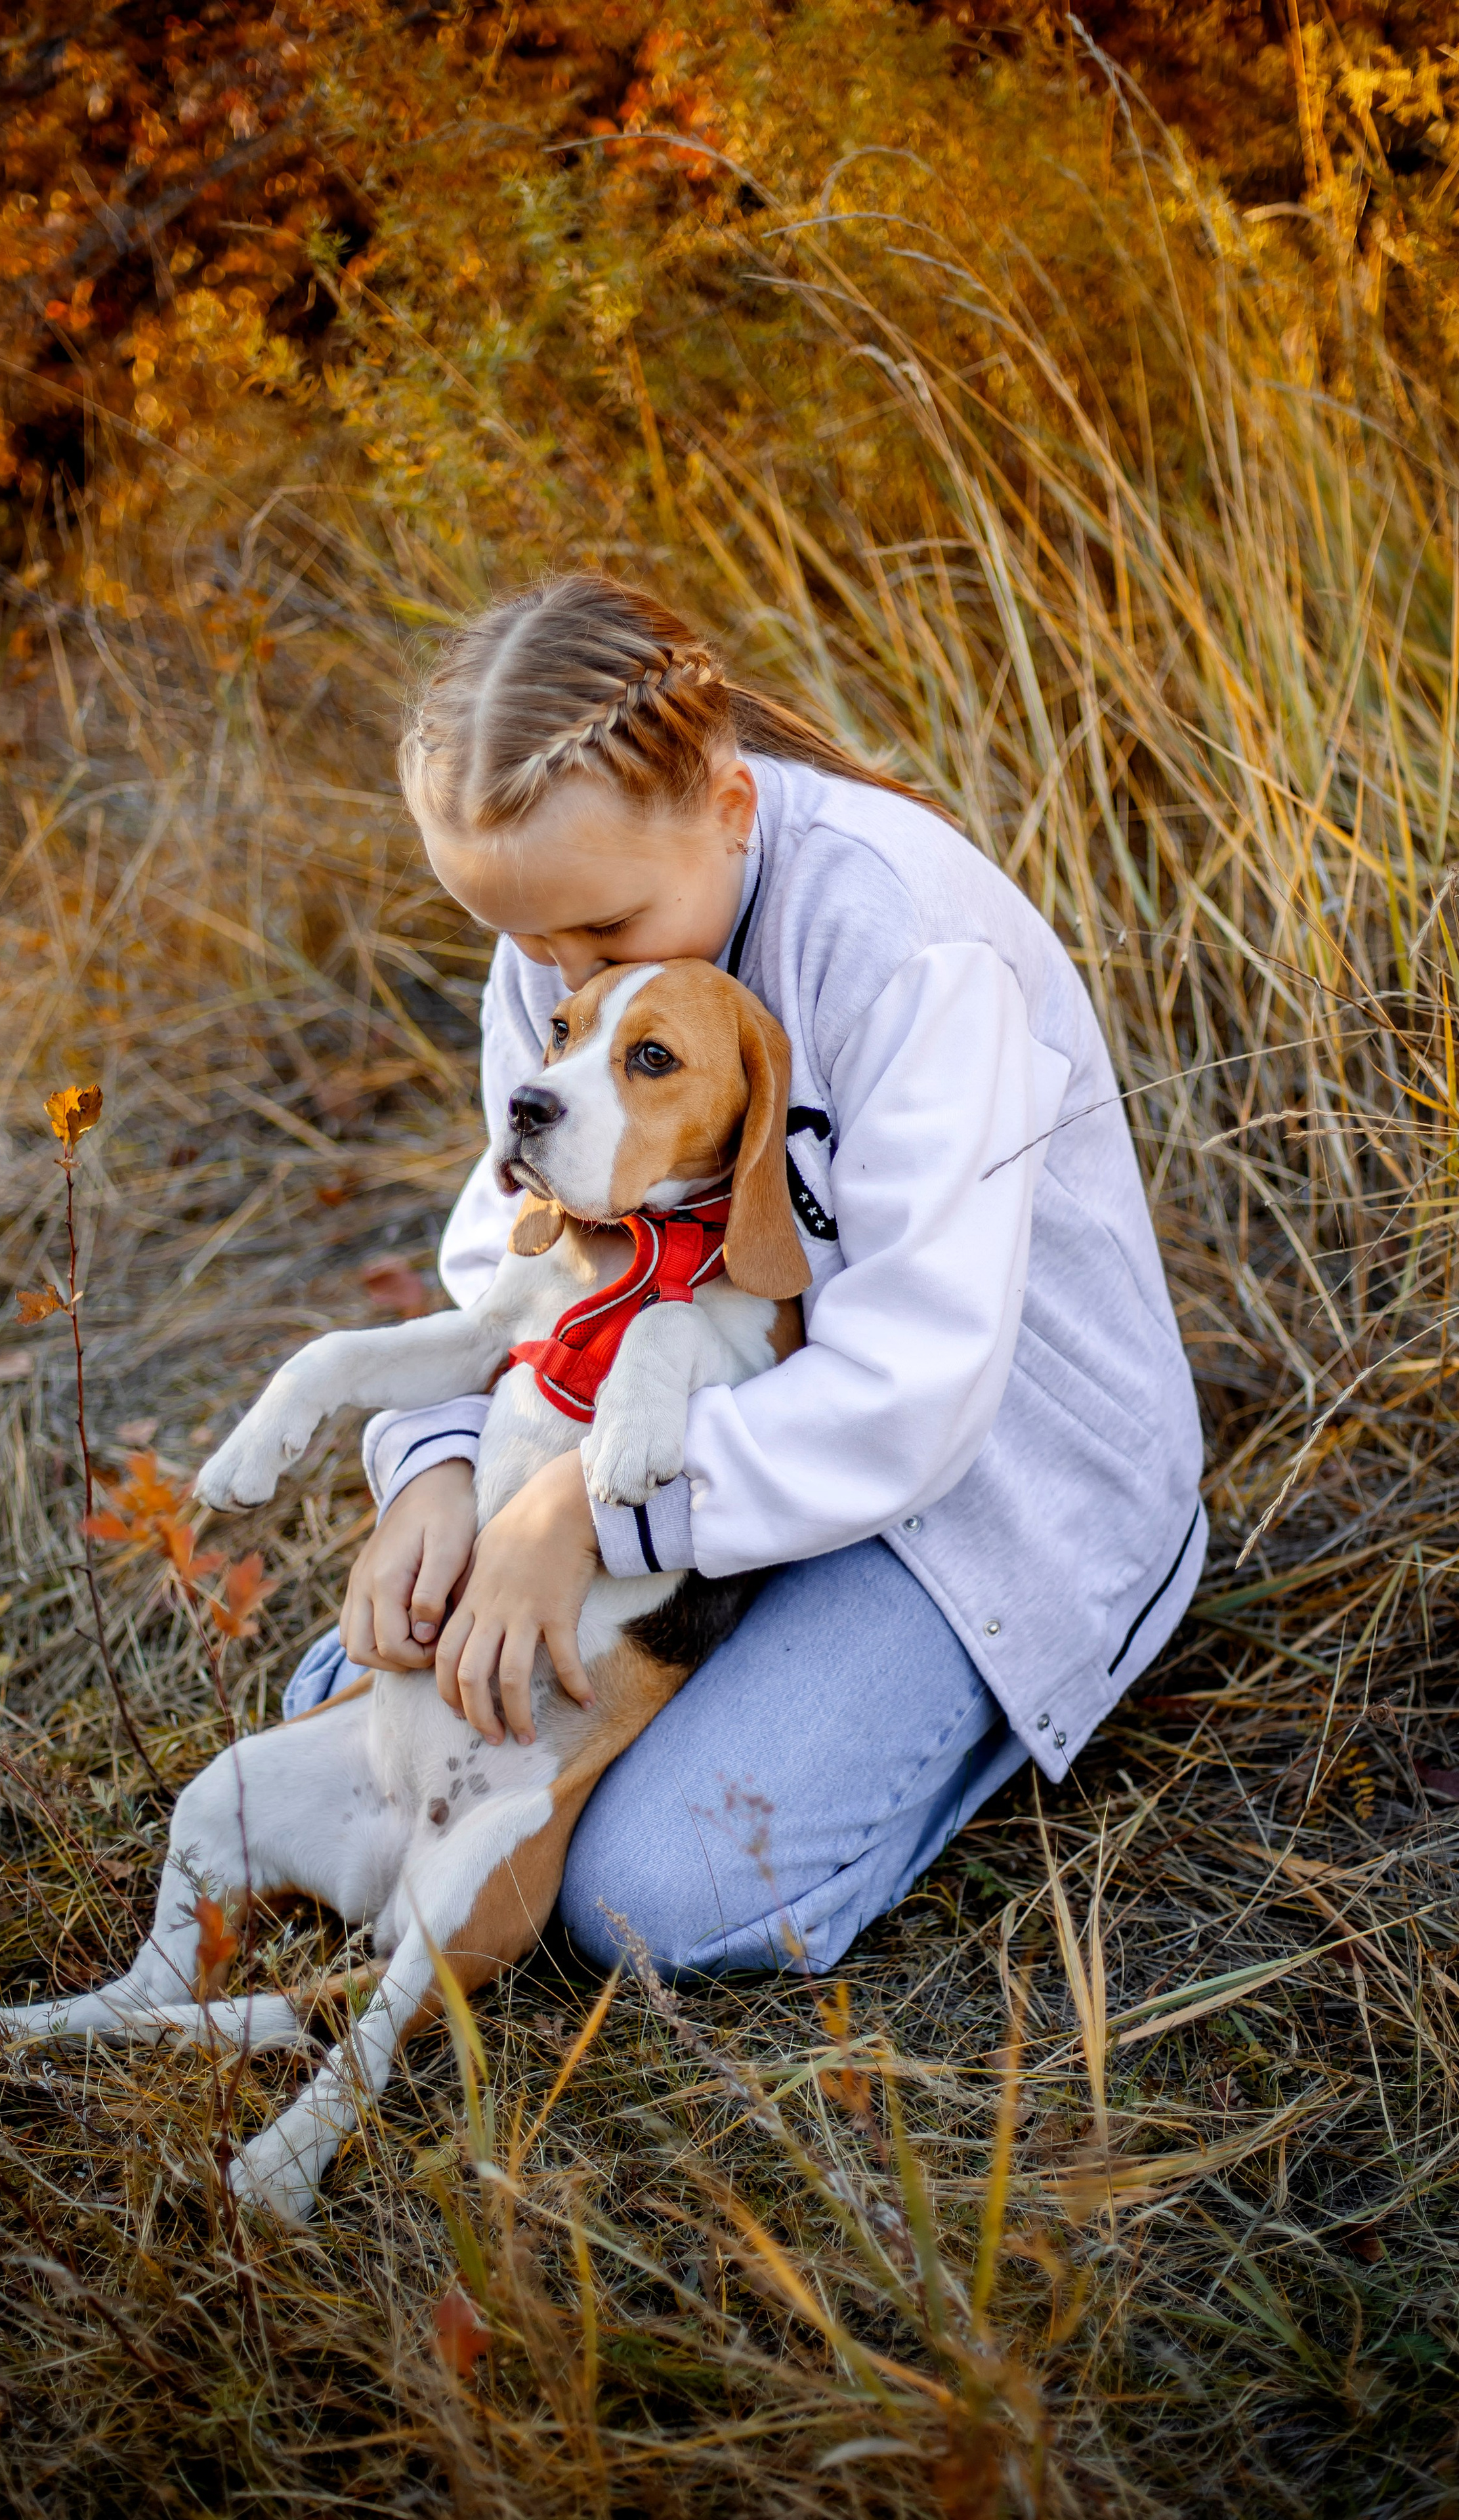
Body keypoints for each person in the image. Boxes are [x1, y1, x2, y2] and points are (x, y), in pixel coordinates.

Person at [280, 574, 1204, 1978]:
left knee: (648, 1895)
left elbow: (917, 1393)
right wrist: (442, 1462)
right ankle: (676, 1685)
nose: (556, 980)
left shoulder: (902, 940)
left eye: (597, 938)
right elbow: (513, 1247)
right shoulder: (569, 931)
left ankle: (905, 1727)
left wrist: (581, 1522)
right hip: (675, 1439)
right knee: (352, 1716)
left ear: (726, 807)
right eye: (529, 948)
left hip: (977, 1491)